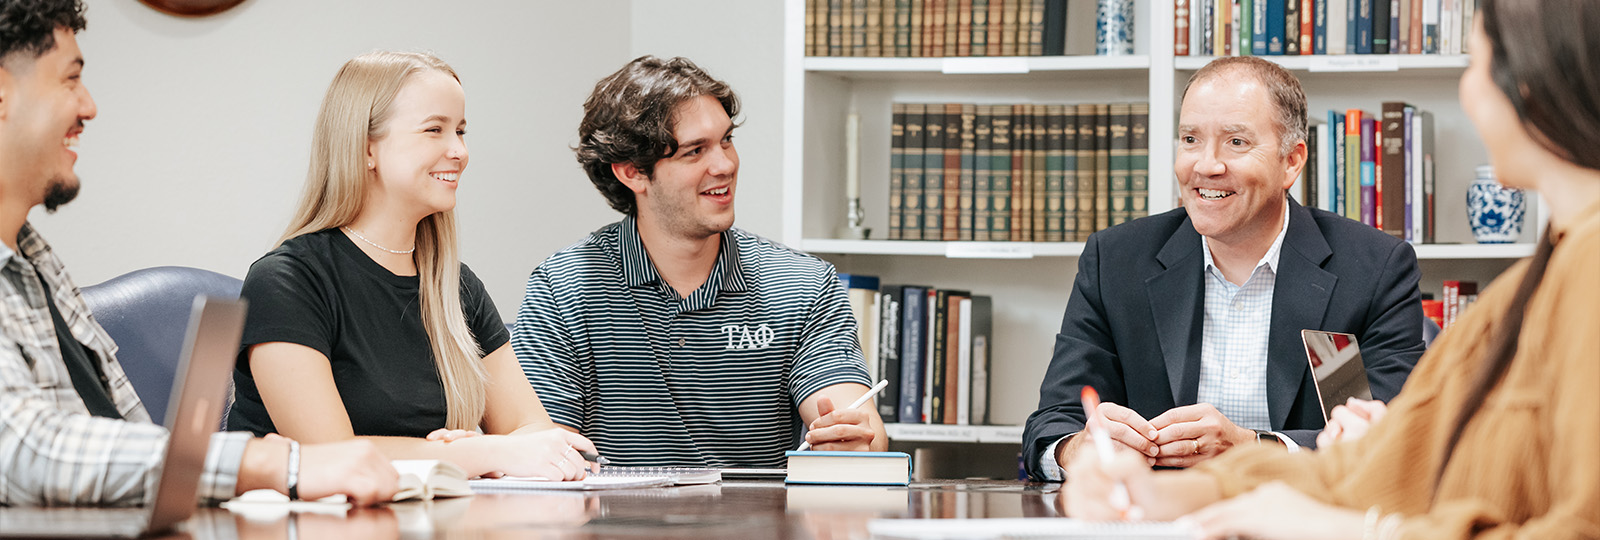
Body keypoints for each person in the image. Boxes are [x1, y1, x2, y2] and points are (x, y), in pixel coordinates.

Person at [1066, 2, 1599, 537]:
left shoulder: (1581, 274)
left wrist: (1348, 531)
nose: (1468, 92)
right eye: (1190, 138)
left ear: (1532, 80)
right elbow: (1394, 456)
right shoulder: (1529, 286)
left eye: (1475, 65)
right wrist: (1169, 492)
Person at [0, 0, 396, 506]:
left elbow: (121, 438)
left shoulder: (34, 261)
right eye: (69, 80)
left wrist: (207, 483)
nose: (89, 107)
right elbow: (25, 452)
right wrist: (264, 463)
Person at [1023, 55, 1428, 479]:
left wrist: (1255, 449)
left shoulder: (1375, 268)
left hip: (1302, 515)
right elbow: (1051, 424)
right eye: (1190, 139)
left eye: (1236, 142)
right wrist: (1077, 448)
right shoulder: (1115, 260)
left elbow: (1394, 437)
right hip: (1160, 516)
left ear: (1291, 161)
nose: (1205, 165)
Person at [226, 51, 595, 481]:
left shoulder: (456, 285)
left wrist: (490, 449)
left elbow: (530, 430)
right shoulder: (286, 282)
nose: (459, 151)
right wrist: (481, 454)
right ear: (366, 149)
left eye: (460, 130)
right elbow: (331, 458)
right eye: (434, 130)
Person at [513, 56, 886, 468]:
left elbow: (858, 418)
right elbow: (544, 449)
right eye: (695, 151)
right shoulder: (564, 286)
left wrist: (853, 440)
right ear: (632, 172)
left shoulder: (803, 283)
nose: (725, 165)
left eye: (726, 140)